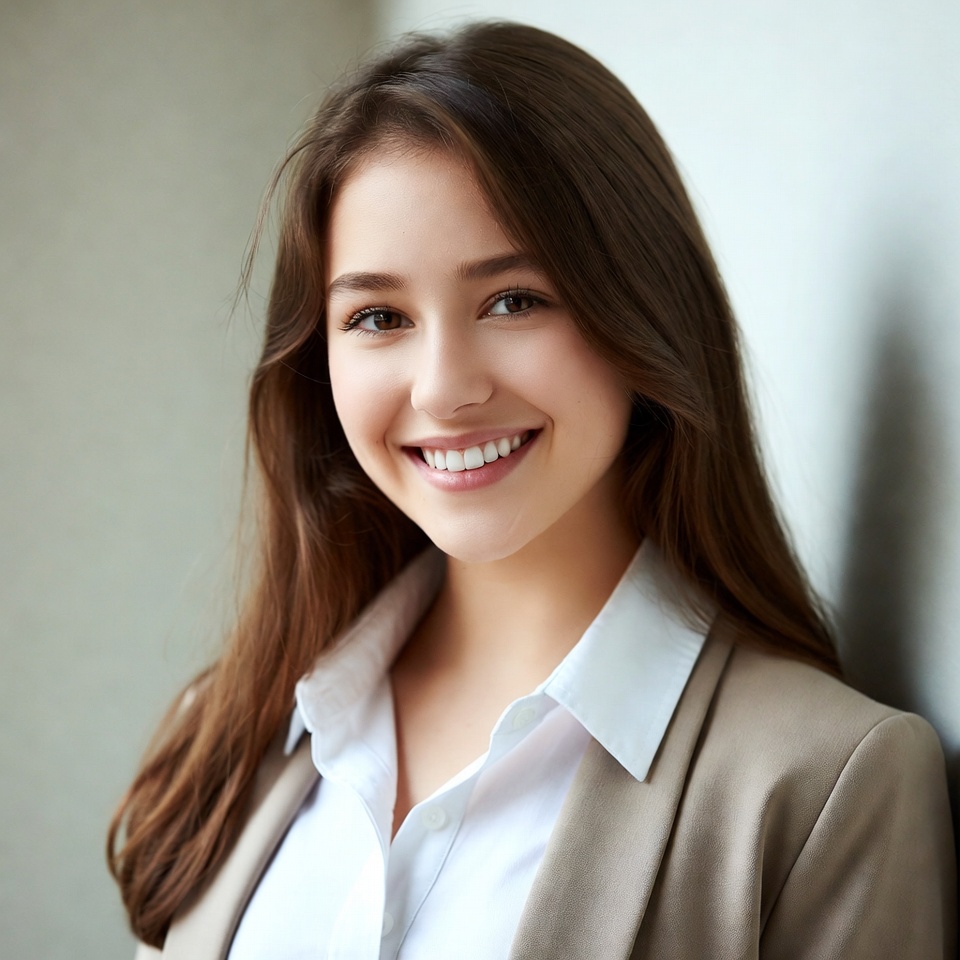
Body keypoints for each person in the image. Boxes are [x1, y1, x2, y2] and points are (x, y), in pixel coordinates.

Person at [109, 21, 956, 959]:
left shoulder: (823, 784)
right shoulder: (230, 734)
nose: (443, 388)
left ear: (641, 311)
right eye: (378, 316)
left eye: (514, 300)